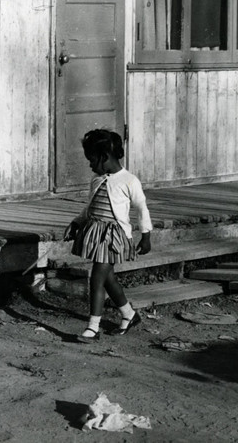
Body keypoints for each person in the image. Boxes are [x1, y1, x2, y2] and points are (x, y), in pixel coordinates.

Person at [64, 129, 152, 340]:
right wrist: (76, 222)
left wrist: (146, 235)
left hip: (114, 237)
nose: (90, 165)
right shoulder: (97, 179)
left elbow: (142, 208)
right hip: (96, 233)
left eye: (92, 160)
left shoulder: (129, 181)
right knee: (108, 279)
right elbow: (90, 207)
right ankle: (129, 314)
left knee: (97, 277)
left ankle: (93, 326)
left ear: (104, 157)